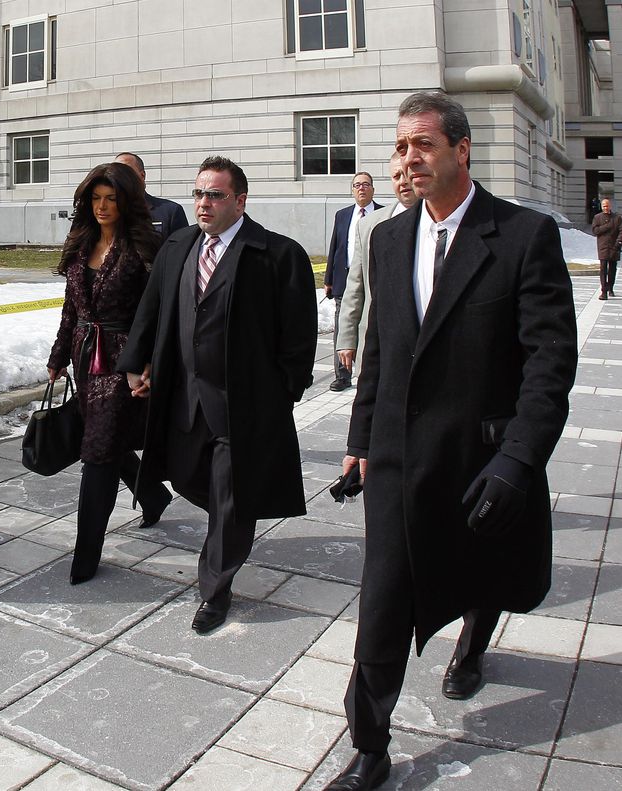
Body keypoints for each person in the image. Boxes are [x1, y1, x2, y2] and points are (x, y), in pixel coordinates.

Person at [326, 91, 577, 791]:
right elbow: (381, 350)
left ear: (461, 151)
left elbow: (549, 363)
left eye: (423, 145)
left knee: (478, 571)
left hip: (479, 459)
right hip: (402, 462)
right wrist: (360, 437)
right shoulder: (388, 237)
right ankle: (370, 745)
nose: (409, 158)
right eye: (401, 146)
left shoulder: (523, 236)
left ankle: (472, 641)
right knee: (381, 604)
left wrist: (518, 460)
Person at [117, 156, 317, 634]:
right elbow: (153, 308)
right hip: (184, 396)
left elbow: (298, 334)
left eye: (215, 195)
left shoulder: (277, 254)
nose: (204, 203)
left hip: (242, 407)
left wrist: (283, 392)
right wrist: (135, 365)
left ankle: (216, 588)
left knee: (231, 497)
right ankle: (229, 523)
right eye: (199, 194)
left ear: (240, 201)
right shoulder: (179, 245)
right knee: (190, 478)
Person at [47, 162, 173, 585]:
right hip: (86, 358)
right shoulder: (81, 243)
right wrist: (58, 355)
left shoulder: (144, 246)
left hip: (122, 359)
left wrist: (146, 361)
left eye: (111, 199)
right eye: (95, 198)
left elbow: (154, 312)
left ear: (126, 202)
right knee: (105, 438)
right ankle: (152, 495)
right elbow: (72, 307)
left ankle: (86, 553)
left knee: (98, 451)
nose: (102, 206)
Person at [336, 153, 417, 377]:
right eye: (396, 175)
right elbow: (355, 286)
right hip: (379, 344)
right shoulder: (370, 225)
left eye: (408, 174)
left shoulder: (439, 222)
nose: (403, 181)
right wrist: (347, 338)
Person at [324, 173, 381, 391]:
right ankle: (342, 375)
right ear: (352, 190)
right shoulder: (343, 215)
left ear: (373, 189)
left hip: (371, 277)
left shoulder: (384, 214)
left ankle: (369, 369)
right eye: (357, 185)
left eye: (366, 185)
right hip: (344, 278)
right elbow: (335, 247)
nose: (361, 189)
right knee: (343, 325)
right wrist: (329, 279)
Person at [115, 152, 188, 240]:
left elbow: (181, 249)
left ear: (142, 175)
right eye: (117, 173)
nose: (122, 177)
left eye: (127, 171)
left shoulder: (170, 212)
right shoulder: (107, 213)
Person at [592, 198, 622, 300]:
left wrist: (618, 242)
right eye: (604, 206)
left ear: (610, 206)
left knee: (612, 269)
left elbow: (621, 231)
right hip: (603, 246)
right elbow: (595, 231)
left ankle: (611, 288)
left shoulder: (617, 218)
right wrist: (606, 227)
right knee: (603, 269)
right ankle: (603, 291)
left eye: (607, 206)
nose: (606, 208)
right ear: (601, 206)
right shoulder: (597, 217)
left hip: (614, 246)